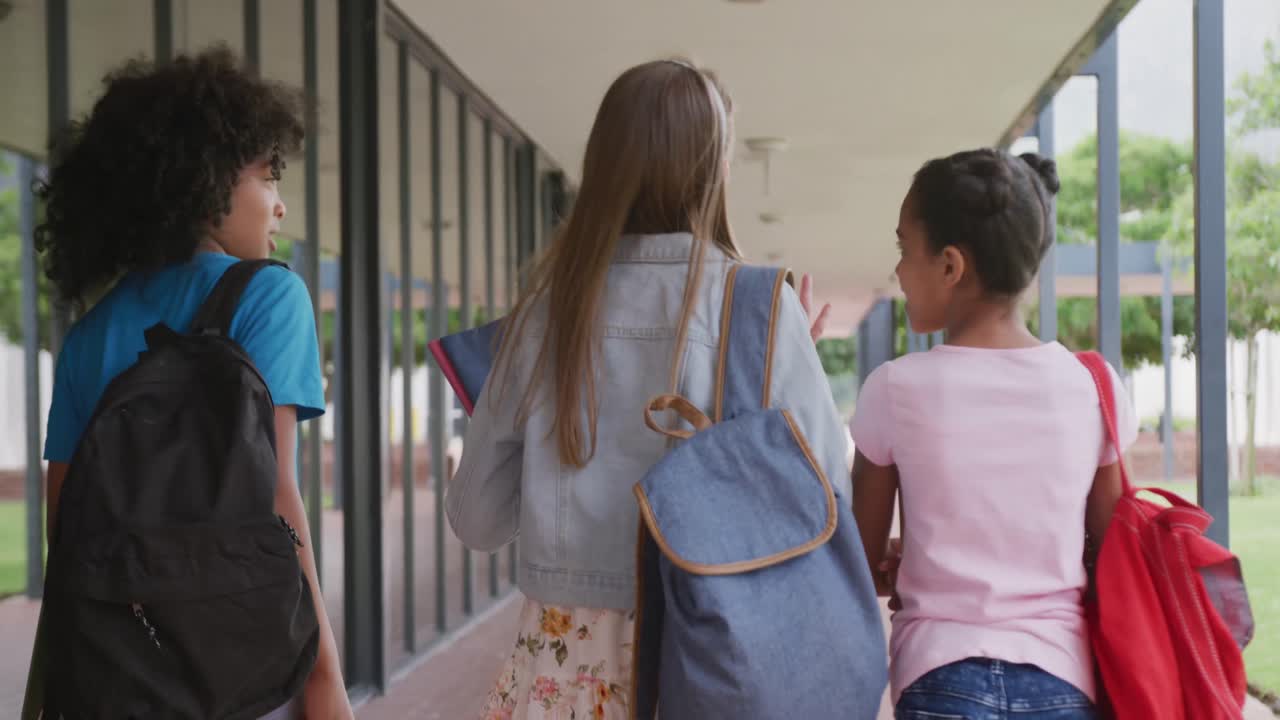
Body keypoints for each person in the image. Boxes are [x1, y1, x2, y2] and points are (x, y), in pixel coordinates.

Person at [446, 58, 845, 719]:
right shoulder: (759, 307)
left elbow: (476, 519)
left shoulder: (544, 314)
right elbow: (827, 500)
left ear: (602, 165)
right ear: (713, 169)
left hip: (562, 666)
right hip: (721, 651)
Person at [35, 47, 350, 720]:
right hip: (245, 664)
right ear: (206, 182)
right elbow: (279, 500)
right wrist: (324, 681)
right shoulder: (268, 298)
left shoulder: (92, 333)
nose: (279, 204)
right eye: (267, 177)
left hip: (122, 677)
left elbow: (66, 532)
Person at [849, 148, 1138, 720]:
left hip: (939, 674)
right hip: (1061, 677)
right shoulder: (1091, 386)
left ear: (951, 266)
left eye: (905, 250)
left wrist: (897, 566)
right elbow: (1113, 560)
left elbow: (855, 562)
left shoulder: (895, 388)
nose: (900, 270)